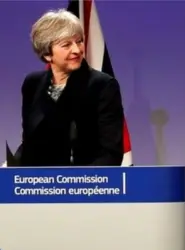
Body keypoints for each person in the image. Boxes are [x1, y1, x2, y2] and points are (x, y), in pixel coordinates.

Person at [11, 9, 125, 166]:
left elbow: (110, 153)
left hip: (85, 183)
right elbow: (30, 143)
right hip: (39, 184)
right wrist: (10, 171)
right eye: (66, 45)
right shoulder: (33, 84)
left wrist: (76, 183)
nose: (77, 50)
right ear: (47, 54)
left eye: (79, 41)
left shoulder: (102, 86)